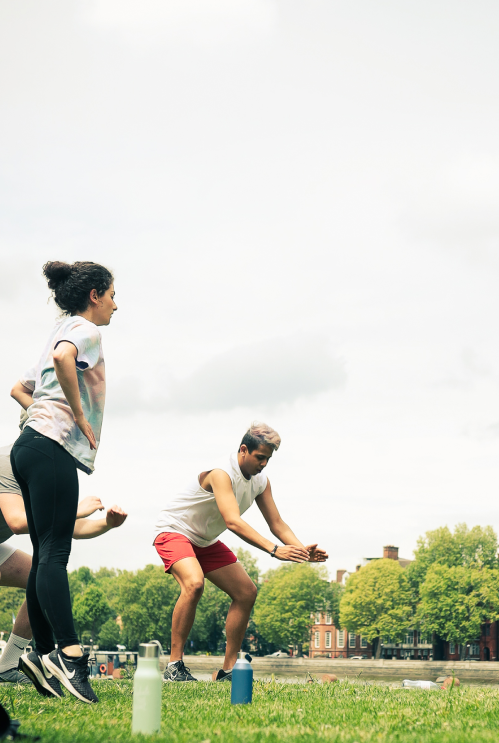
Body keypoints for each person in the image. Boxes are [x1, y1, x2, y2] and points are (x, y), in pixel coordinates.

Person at [9, 260, 117, 705]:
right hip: (51, 447)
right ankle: (70, 656)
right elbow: (62, 359)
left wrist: (42, 412)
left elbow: (19, 388)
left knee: (42, 556)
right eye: (112, 295)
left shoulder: (58, 328)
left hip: (27, 447)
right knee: (55, 554)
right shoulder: (84, 329)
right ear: (94, 295)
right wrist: (76, 414)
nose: (115, 305)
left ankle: (41, 653)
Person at [152, 422, 328, 682]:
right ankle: (174, 666)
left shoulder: (261, 482)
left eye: (268, 459)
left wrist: (302, 550)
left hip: (205, 540)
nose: (264, 464)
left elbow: (276, 523)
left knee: (246, 592)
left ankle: (229, 670)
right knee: (194, 583)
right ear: (243, 450)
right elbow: (232, 521)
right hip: (175, 531)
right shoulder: (221, 473)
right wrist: (274, 549)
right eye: (260, 457)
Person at [0, 441, 127, 687]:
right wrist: (75, 510)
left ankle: (8, 665)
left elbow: (66, 526)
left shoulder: (45, 471)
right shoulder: (7, 461)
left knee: (38, 575)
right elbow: (16, 521)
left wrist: (107, 524)